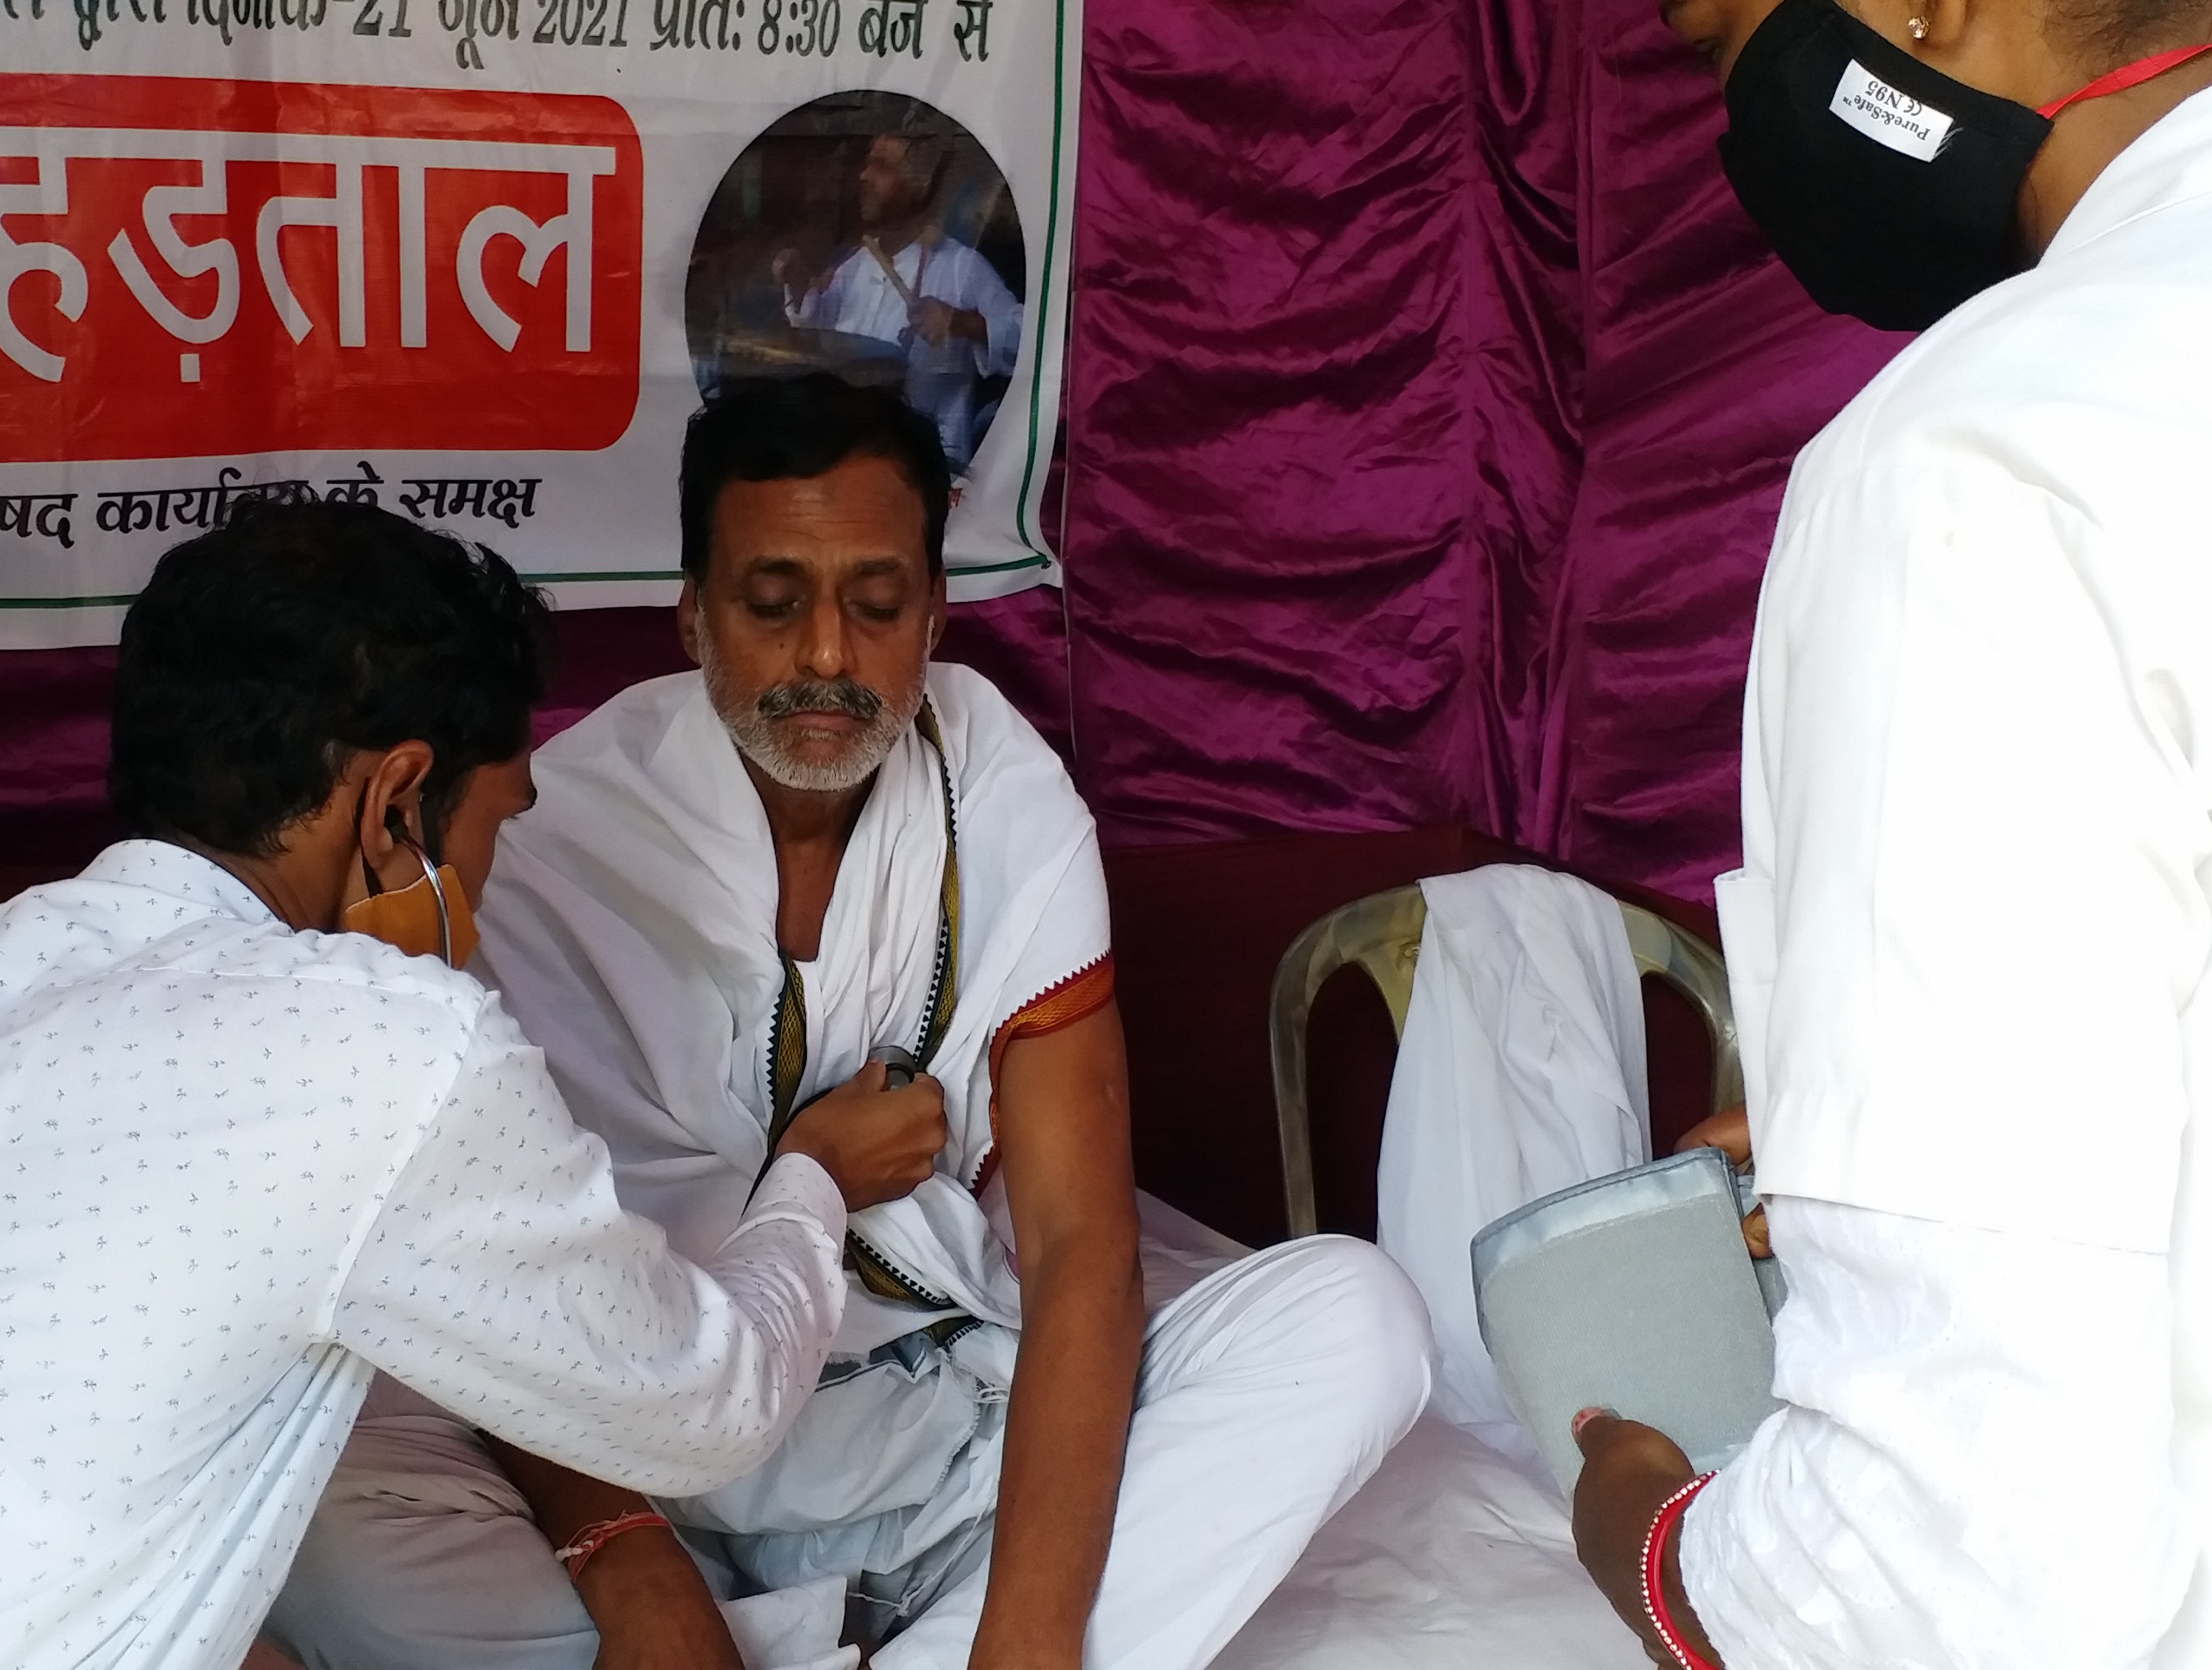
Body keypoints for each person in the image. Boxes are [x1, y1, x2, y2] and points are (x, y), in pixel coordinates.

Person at [1573, 0, 2212, 1666]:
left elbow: (1946, 1576)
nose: (1731, 124)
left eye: (1722, 43)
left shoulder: (1982, 467)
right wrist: (1893, 1140)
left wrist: (1650, 1542)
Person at [0, 503, 950, 1670]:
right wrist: (811, 1174)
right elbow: (703, 1411)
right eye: (495, 830)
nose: (489, 886)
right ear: (396, 805)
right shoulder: (385, 1047)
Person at [268, 374, 1434, 1670]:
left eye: (876, 606)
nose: (826, 655)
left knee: (1355, 1316)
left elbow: (1075, 1246)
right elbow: (485, 1289)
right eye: (771, 605)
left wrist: (1025, 1648)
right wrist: (629, 1562)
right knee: (310, 1471)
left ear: (933, 612)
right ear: (693, 616)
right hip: (640, 1449)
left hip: (943, 1436)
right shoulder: (549, 828)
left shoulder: (995, 787)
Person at [775, 132, 1025, 479]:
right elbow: (820, 325)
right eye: (867, 163)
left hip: (925, 470)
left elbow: (1031, 339)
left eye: (881, 167)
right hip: (846, 458)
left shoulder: (960, 267)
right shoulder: (857, 263)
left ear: (919, 186)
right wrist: (800, 285)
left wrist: (961, 323)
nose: (863, 176)